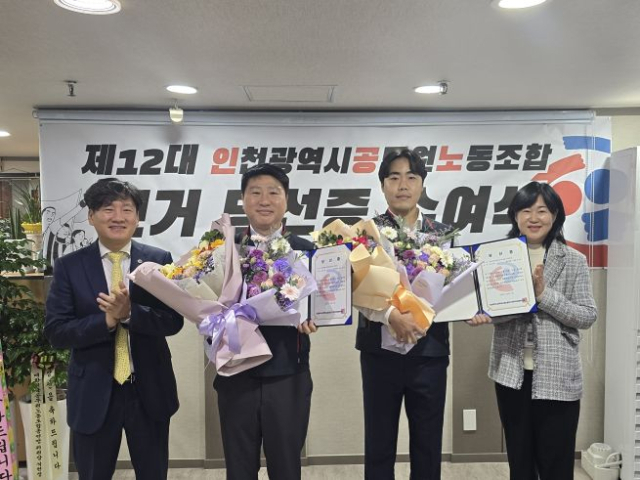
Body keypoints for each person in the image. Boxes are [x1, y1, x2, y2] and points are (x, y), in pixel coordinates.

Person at [44, 178, 184, 480]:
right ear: (91, 216)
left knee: (153, 473)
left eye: (127, 209)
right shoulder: (69, 266)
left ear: (137, 217)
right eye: (108, 209)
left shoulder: (159, 261)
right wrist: (107, 321)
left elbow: (173, 320)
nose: (118, 217)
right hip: (93, 391)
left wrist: (131, 314)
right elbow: (56, 331)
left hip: (148, 390)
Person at [468, 181, 597, 480]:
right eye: (526, 210)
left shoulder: (574, 260)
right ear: (515, 216)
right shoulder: (497, 256)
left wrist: (543, 296)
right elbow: (494, 308)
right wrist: (480, 314)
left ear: (555, 215)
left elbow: (587, 315)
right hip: (511, 374)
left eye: (542, 210)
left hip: (558, 376)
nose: (534, 217)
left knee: (556, 464)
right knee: (520, 461)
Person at [214, 164, 317, 480]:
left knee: (286, 466)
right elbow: (205, 299)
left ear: (286, 201)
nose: (264, 200)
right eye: (255, 192)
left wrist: (315, 317)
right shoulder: (223, 248)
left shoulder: (306, 250)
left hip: (287, 371)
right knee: (239, 467)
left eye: (273, 192)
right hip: (235, 371)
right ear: (243, 200)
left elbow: (322, 305)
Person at [356, 149, 452, 480]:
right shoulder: (366, 233)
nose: (403, 185)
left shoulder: (442, 233)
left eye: (411, 177)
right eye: (394, 177)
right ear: (383, 184)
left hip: (430, 352)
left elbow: (454, 289)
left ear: (422, 184)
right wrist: (389, 315)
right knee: (379, 441)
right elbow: (356, 287)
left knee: (428, 442)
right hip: (378, 352)